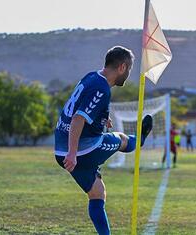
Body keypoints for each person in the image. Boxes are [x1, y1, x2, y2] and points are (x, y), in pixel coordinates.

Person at [54, 46, 153, 235]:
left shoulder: (91, 77)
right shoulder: (101, 89)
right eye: (130, 69)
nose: (129, 74)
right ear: (122, 67)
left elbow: (77, 107)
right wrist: (73, 153)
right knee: (123, 139)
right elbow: (77, 118)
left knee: (97, 193)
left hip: (60, 151)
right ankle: (139, 139)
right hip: (82, 151)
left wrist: (101, 118)